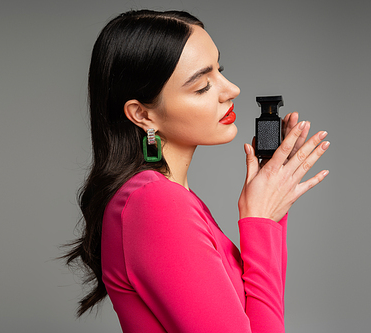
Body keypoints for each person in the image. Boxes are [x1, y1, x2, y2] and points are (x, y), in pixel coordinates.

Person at [63, 9, 330, 333]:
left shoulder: (166, 197)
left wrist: (270, 213)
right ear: (142, 114)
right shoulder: (154, 204)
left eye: (220, 70)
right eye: (203, 85)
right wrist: (260, 221)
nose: (231, 89)